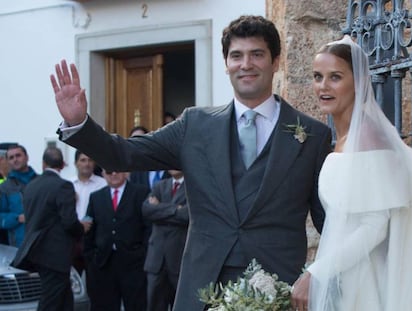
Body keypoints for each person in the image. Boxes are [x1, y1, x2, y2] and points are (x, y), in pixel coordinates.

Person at [51, 15, 332, 311]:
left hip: (278, 288)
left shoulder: (312, 135)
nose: (245, 64)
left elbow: (330, 222)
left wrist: (319, 272)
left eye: (257, 54)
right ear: (226, 64)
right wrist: (78, 123)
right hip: (203, 289)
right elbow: (123, 154)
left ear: (275, 62)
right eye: (236, 56)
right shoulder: (194, 125)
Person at [291, 35, 412, 311]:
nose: (323, 86)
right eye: (317, 76)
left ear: (358, 82)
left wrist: (317, 273)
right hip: (343, 278)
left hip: (364, 282)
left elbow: (374, 226)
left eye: (335, 77)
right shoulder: (344, 138)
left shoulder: (369, 137)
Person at [11, 147, 90, 311]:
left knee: (64, 299)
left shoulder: (31, 186)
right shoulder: (63, 186)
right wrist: (81, 228)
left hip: (37, 252)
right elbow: (69, 221)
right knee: (51, 301)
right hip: (56, 255)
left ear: (43, 164)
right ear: (62, 164)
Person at [83, 169, 150, 311]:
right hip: (104, 263)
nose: (113, 174)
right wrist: (92, 257)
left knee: (136, 305)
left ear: (126, 172)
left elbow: (148, 227)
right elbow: (89, 229)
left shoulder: (140, 193)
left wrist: (142, 253)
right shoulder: (96, 197)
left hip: (133, 263)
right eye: (109, 171)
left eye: (117, 170)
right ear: (103, 174)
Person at [142, 169, 188, 311]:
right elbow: (146, 210)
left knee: (181, 305)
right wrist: (176, 209)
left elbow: (187, 215)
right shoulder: (159, 186)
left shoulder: (193, 186)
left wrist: (159, 209)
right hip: (157, 260)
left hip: (179, 258)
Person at [71, 150, 107, 273]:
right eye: (83, 160)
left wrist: (87, 223)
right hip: (73, 237)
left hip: (95, 236)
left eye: (90, 160)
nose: (87, 164)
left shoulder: (103, 184)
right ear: (76, 163)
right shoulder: (67, 184)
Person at [0, 144, 37, 247]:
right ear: (8, 162)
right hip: (18, 246)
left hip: (42, 244)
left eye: (18, 155)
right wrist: (16, 218)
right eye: (11, 158)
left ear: (27, 157)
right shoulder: (4, 188)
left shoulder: (40, 182)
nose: (15, 160)